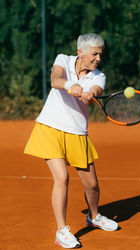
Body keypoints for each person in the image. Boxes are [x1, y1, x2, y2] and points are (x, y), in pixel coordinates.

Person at [24, 33, 118, 249]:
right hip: (49, 128)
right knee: (62, 178)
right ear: (80, 52)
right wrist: (70, 86)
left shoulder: (98, 76)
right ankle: (62, 231)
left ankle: (94, 217)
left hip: (77, 133)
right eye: (94, 54)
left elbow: (96, 90)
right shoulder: (62, 60)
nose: (98, 59)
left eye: (100, 54)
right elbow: (55, 80)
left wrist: (89, 93)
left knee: (92, 186)